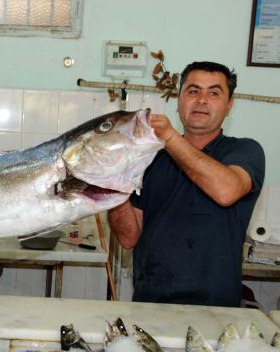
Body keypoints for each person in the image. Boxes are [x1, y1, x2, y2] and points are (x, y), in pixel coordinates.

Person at [107, 61, 265, 307]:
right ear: (179, 100)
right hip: (149, 303)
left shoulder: (244, 150)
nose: (202, 100)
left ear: (229, 105)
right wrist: (114, 182)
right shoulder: (151, 157)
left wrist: (169, 137)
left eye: (214, 93)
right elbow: (128, 238)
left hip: (216, 308)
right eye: (193, 91)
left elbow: (226, 191)